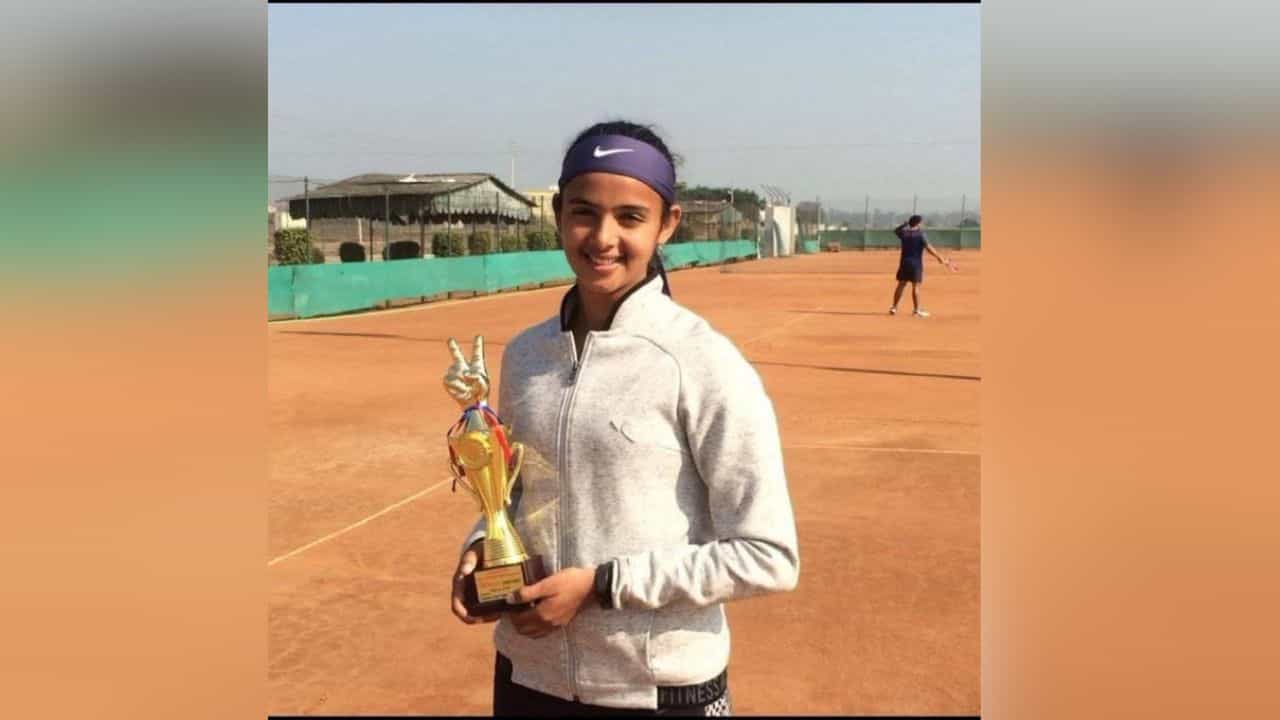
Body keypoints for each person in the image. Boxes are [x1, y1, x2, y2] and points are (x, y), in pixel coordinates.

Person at [442, 120, 800, 717]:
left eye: (630, 217)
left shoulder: (702, 362)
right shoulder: (526, 355)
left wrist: (603, 586)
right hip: (529, 677)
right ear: (558, 214)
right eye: (584, 212)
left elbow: (768, 554)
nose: (603, 237)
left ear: (667, 224)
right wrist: (483, 543)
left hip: (657, 690)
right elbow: (515, 494)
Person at [889, 215, 956, 317]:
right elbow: (929, 247)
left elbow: (896, 230)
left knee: (901, 285)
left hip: (904, 263)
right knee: (916, 287)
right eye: (921, 222)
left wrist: (904, 224)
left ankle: (894, 307)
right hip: (916, 264)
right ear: (918, 223)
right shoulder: (920, 234)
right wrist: (939, 258)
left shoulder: (904, 233)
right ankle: (916, 310)